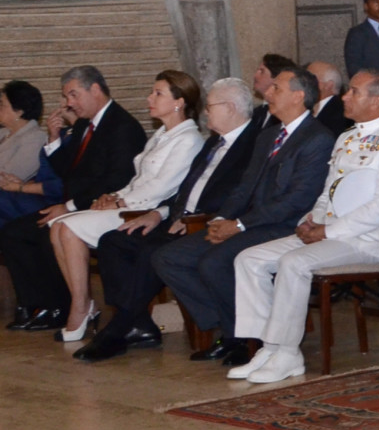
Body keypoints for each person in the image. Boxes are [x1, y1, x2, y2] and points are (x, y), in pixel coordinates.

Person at [226, 71, 379, 385]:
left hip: (364, 241)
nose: (344, 96)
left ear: (376, 100)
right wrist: (312, 220)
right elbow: (329, 192)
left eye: (353, 92)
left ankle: (288, 353)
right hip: (329, 233)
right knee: (249, 259)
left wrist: (328, 231)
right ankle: (269, 347)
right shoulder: (346, 137)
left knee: (294, 263)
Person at [149, 68, 336, 364]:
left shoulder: (318, 138)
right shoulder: (269, 135)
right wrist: (220, 220)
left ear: (298, 96)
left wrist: (239, 224)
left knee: (214, 262)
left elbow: (296, 201)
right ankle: (232, 329)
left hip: (286, 227)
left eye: (276, 88)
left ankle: (243, 338)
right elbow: (244, 188)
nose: (267, 93)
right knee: (169, 258)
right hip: (250, 222)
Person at [75, 78, 258, 363]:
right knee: (113, 241)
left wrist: (197, 218)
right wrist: (157, 213)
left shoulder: (253, 145)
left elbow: (243, 196)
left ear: (231, 108)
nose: (205, 112)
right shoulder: (214, 142)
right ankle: (138, 324)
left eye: (210, 106)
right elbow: (183, 190)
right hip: (176, 218)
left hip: (207, 223)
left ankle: (118, 328)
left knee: (153, 252)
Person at [43, 71, 205, 343]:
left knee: (67, 228)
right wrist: (112, 196)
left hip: (146, 212)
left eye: (158, 93)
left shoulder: (189, 139)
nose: (149, 98)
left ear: (179, 102)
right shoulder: (161, 135)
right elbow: (137, 180)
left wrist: (121, 202)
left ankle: (81, 307)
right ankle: (82, 303)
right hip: (131, 204)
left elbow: (162, 187)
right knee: (57, 226)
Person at [0, 66, 147, 330]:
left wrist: (68, 206)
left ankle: (61, 306)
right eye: (67, 96)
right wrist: (55, 139)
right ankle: (37, 304)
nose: (69, 103)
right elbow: (68, 170)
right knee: (14, 232)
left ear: (95, 90)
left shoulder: (122, 126)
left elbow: (115, 181)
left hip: (104, 205)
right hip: (77, 203)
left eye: (73, 94)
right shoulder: (84, 125)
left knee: (44, 233)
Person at [0, 82, 44, 181]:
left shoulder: (35, 139)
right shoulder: (3, 132)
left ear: (19, 112)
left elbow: (9, 177)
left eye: (2, 104)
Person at [306, 61, 351, 136]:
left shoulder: (341, 114)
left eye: (309, 79)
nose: (303, 84)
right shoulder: (306, 108)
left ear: (329, 85)